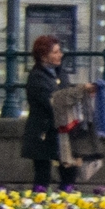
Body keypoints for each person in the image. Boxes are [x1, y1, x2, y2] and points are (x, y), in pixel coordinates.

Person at [22, 34, 79, 187]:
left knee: (69, 169)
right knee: (43, 174)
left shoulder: (61, 73)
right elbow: (52, 102)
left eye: (59, 51)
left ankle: (65, 199)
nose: (60, 55)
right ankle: (40, 202)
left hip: (61, 130)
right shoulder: (37, 77)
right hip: (44, 132)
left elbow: (67, 94)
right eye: (55, 52)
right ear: (43, 56)